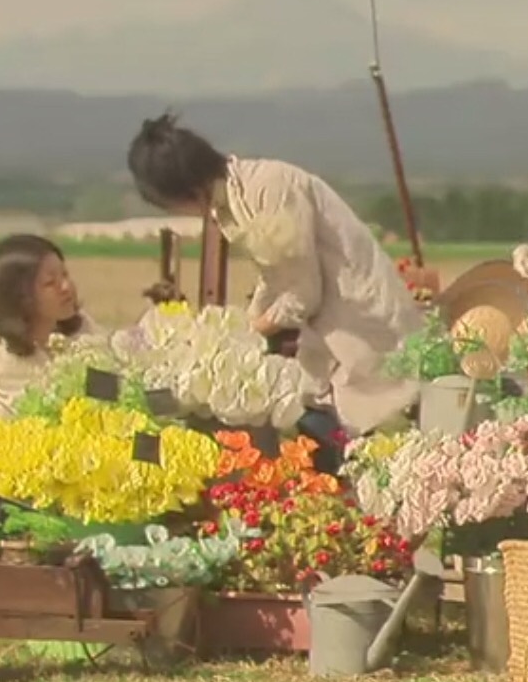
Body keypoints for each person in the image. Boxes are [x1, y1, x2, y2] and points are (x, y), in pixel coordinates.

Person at [125, 113, 425, 439]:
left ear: (188, 191)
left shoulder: (269, 191)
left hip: (361, 323)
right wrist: (239, 327)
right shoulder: (235, 197)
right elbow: (275, 277)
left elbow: (302, 295)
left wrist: (239, 338)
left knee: (373, 427)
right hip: (333, 327)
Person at [0, 234, 100, 422]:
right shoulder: (1, 361)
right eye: (50, 283)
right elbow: (47, 419)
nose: (66, 287)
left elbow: (116, 391)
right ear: (21, 297)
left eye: (65, 274)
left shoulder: (83, 329)